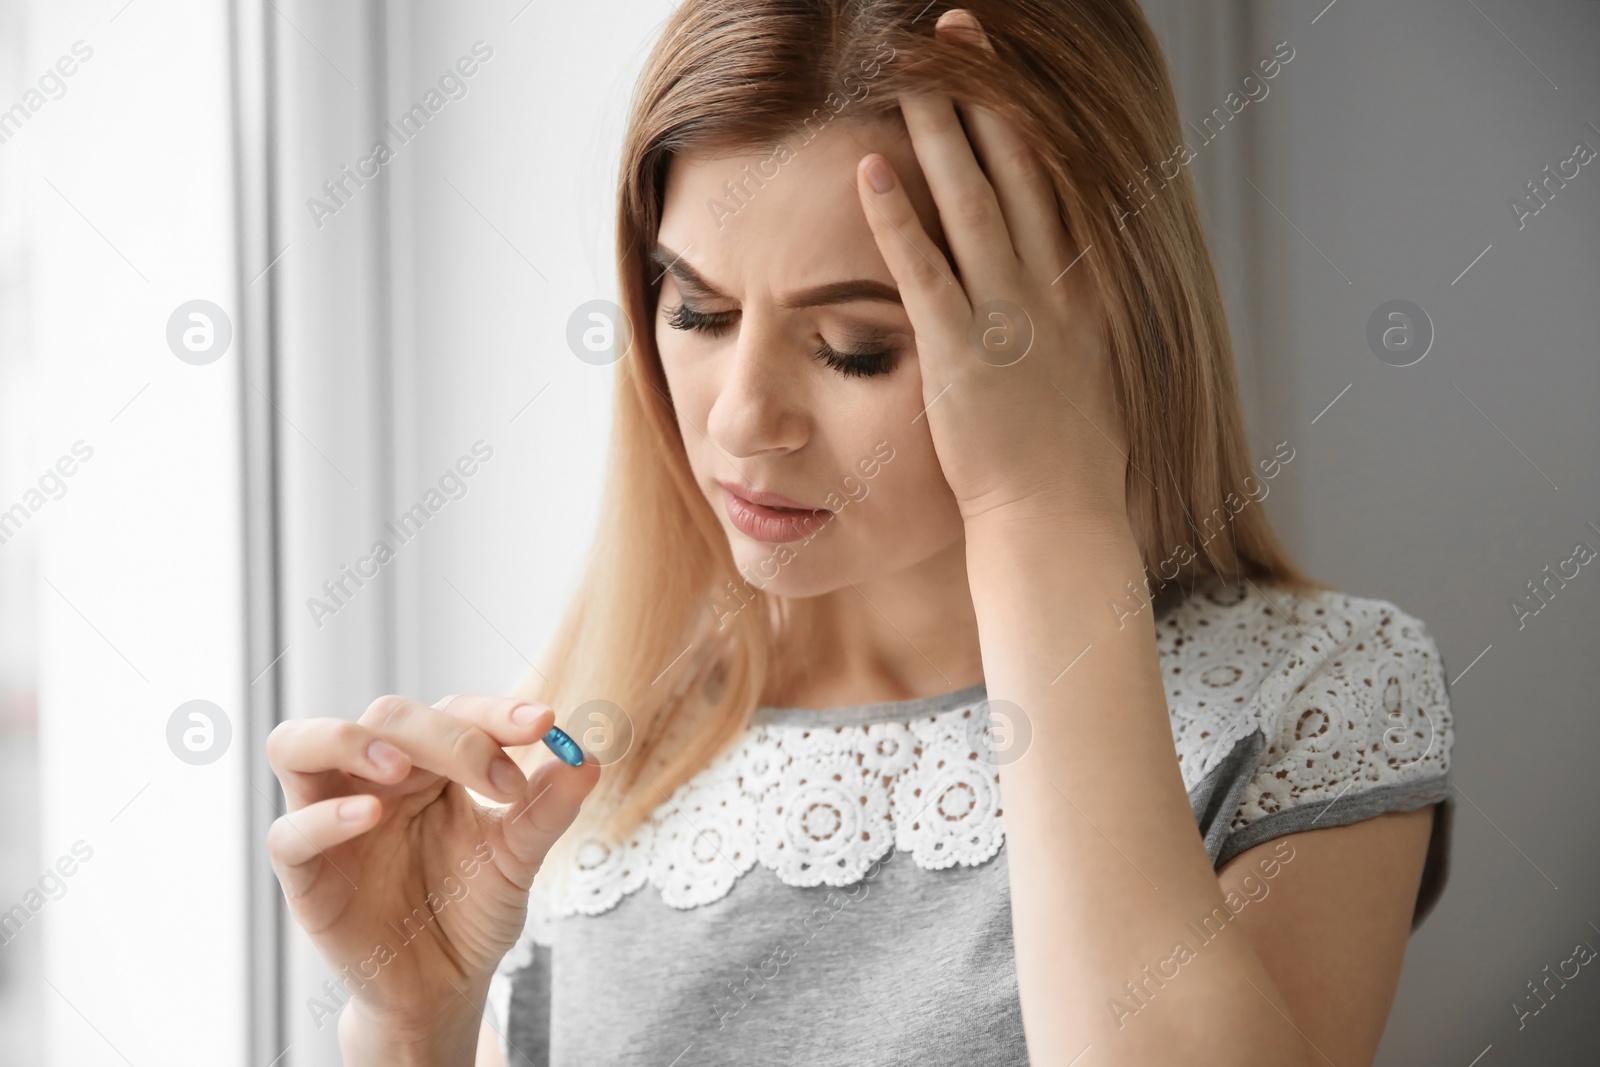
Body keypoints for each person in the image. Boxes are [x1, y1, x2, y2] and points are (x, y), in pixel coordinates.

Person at [266, 3, 1455, 1064]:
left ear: (1089, 316)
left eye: (857, 347)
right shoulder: (586, 734)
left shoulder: (1319, 693)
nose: (742, 418)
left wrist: (1039, 507)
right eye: (697, 310)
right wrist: (409, 1027)